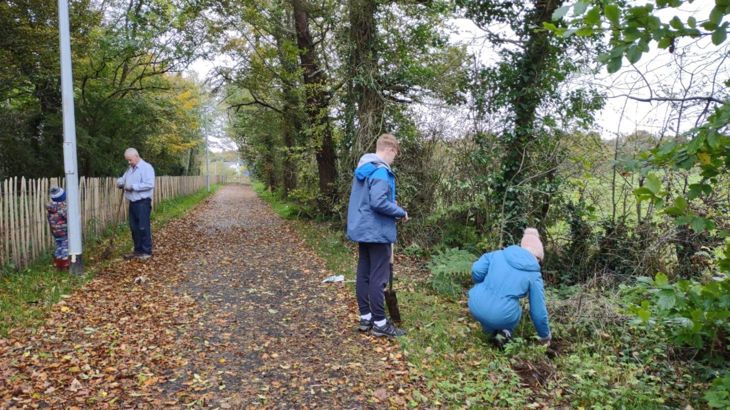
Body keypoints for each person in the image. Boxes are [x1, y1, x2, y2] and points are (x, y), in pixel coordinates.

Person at [346, 133, 409, 338]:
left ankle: (366, 318)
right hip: (377, 231)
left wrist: (390, 204)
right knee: (378, 277)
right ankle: (380, 324)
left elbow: (369, 199)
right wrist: (400, 212)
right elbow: (378, 203)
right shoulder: (381, 171)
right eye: (395, 155)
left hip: (363, 229)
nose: (394, 160)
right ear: (389, 149)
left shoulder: (364, 168)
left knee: (364, 273)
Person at [468, 228, 551, 348]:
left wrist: (482, 288)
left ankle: (487, 329)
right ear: (537, 257)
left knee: (494, 306)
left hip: (474, 303)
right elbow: (538, 311)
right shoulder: (534, 275)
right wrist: (545, 336)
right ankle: (504, 334)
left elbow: (476, 270)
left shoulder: (498, 254)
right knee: (516, 309)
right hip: (501, 316)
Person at [116, 148, 155, 261]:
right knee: (134, 228)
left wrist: (133, 187)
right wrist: (120, 183)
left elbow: (149, 184)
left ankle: (146, 251)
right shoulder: (130, 169)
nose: (129, 162)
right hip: (132, 203)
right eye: (127, 160)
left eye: (130, 160)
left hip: (143, 202)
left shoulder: (146, 168)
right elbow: (122, 179)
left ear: (136, 156)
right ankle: (138, 250)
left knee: (143, 227)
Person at [46, 187, 69, 270]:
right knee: (65, 247)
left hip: (55, 232)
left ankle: (57, 262)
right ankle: (65, 262)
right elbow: (68, 217)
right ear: (63, 197)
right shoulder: (62, 207)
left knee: (59, 246)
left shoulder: (51, 208)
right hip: (64, 231)